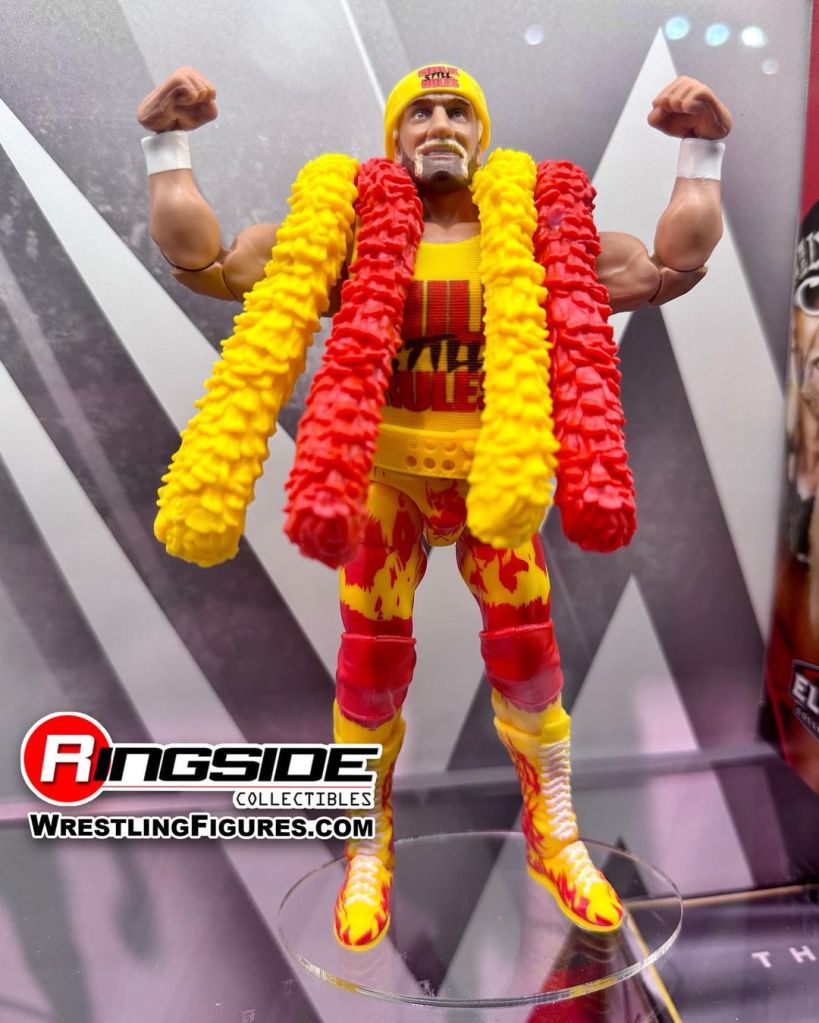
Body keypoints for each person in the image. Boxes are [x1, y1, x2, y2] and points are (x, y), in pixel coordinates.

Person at [138, 63, 731, 950]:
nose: (440, 124)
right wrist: (167, 144)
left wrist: (701, 154)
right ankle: (365, 845)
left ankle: (554, 833)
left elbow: (667, 268)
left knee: (528, 658)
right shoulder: (342, 228)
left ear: (480, 132)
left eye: (457, 110)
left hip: (494, 476)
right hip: (390, 481)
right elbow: (209, 263)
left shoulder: (536, 233)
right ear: (395, 135)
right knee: (370, 669)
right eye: (421, 112)